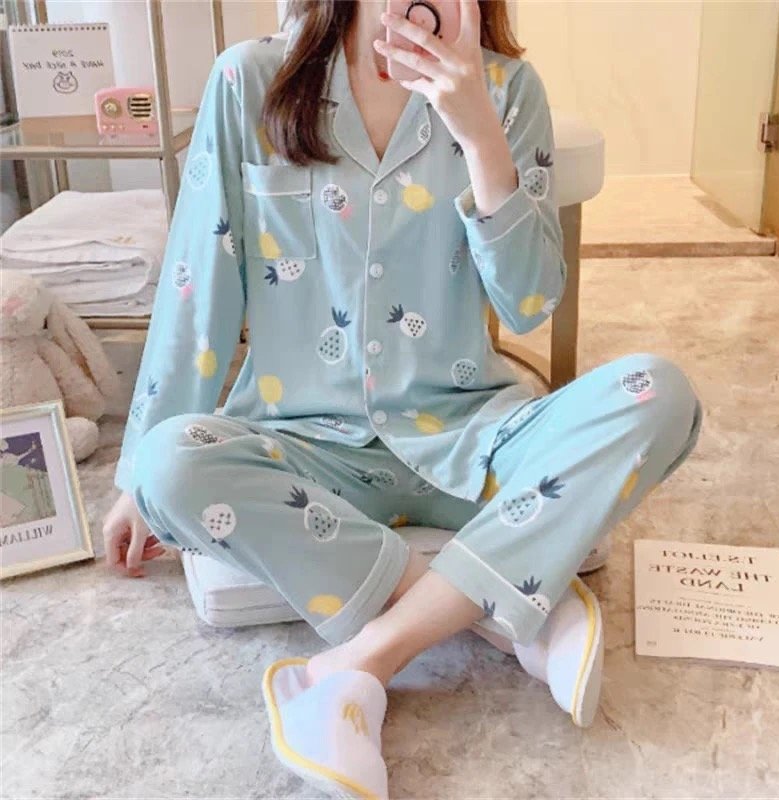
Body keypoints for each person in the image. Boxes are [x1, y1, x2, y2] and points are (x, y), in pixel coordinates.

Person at [103, 0, 703, 794]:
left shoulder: (508, 89)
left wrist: (480, 134)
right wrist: (134, 478)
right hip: (306, 447)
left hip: (469, 439)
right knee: (168, 465)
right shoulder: (251, 80)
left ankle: (359, 662)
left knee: (659, 393)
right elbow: (198, 282)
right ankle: (504, 613)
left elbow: (530, 302)